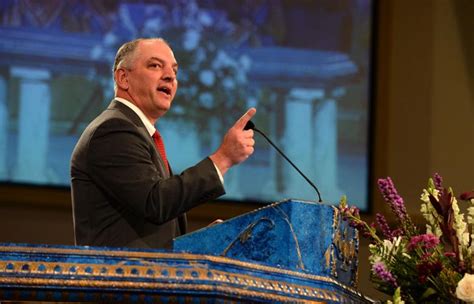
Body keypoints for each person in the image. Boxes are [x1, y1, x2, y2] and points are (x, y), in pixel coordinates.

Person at [70, 38, 256, 249]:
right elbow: (155, 203)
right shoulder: (113, 130)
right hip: (121, 279)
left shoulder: (138, 133)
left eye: (174, 71)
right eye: (155, 66)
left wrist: (200, 244)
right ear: (123, 78)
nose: (170, 76)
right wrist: (223, 158)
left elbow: (150, 231)